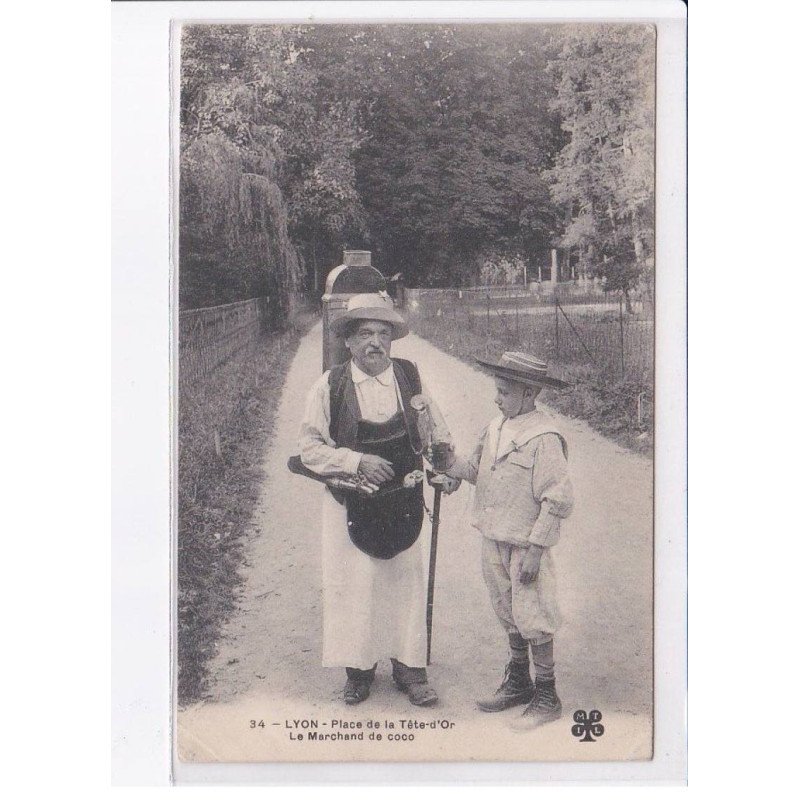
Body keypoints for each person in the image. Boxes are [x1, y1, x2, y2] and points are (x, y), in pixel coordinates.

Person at [298, 292, 455, 707]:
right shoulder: (330, 386)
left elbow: (436, 431)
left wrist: (442, 463)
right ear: (348, 340)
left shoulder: (409, 378)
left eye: (383, 334)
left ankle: (410, 668)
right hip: (351, 502)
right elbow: (309, 449)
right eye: (365, 333)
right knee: (355, 584)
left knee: (405, 583)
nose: (375, 343)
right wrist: (356, 460)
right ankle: (358, 669)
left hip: (404, 500)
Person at [440, 351, 574, 730]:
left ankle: (547, 695)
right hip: (493, 537)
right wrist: (448, 468)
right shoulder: (495, 428)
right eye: (497, 390)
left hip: (525, 544)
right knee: (507, 609)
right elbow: (474, 469)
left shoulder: (545, 438)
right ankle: (519, 681)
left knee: (534, 613)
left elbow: (557, 498)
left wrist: (536, 550)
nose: (496, 398)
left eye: (504, 392)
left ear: (529, 393)